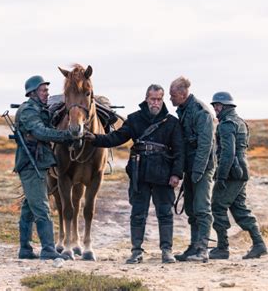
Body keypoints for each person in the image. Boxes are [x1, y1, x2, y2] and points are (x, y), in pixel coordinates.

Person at [85, 84, 184, 264]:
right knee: (138, 214)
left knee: (165, 214)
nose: (155, 103)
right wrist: (95, 139)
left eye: (159, 99)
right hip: (140, 173)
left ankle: (167, 251)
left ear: (162, 100)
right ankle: (136, 251)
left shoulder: (172, 122)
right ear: (146, 99)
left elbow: (179, 151)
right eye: (152, 99)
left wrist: (176, 173)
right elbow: (116, 138)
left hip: (163, 174)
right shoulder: (134, 119)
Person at [15, 75, 78, 260]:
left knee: (29, 207)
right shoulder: (28, 110)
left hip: (38, 163)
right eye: (43, 90)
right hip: (30, 164)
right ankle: (48, 249)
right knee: (42, 207)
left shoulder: (40, 109)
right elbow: (40, 132)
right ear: (33, 92)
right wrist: (67, 135)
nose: (47, 93)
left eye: (47, 90)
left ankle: (25, 249)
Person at [209, 91, 267, 259]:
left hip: (232, 173)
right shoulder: (240, 122)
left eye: (216, 106)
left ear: (223, 106)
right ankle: (259, 244)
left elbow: (228, 153)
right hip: (241, 171)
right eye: (214, 106)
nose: (214, 109)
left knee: (218, 206)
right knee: (239, 208)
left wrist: (221, 177)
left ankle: (222, 248)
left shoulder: (226, 124)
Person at [169, 76, 215, 263]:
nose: (170, 99)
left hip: (201, 168)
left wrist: (197, 171)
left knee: (202, 209)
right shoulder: (184, 110)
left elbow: (205, 144)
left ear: (182, 93)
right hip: (190, 167)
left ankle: (202, 249)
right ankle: (194, 246)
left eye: (172, 95)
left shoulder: (200, 111)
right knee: (191, 209)